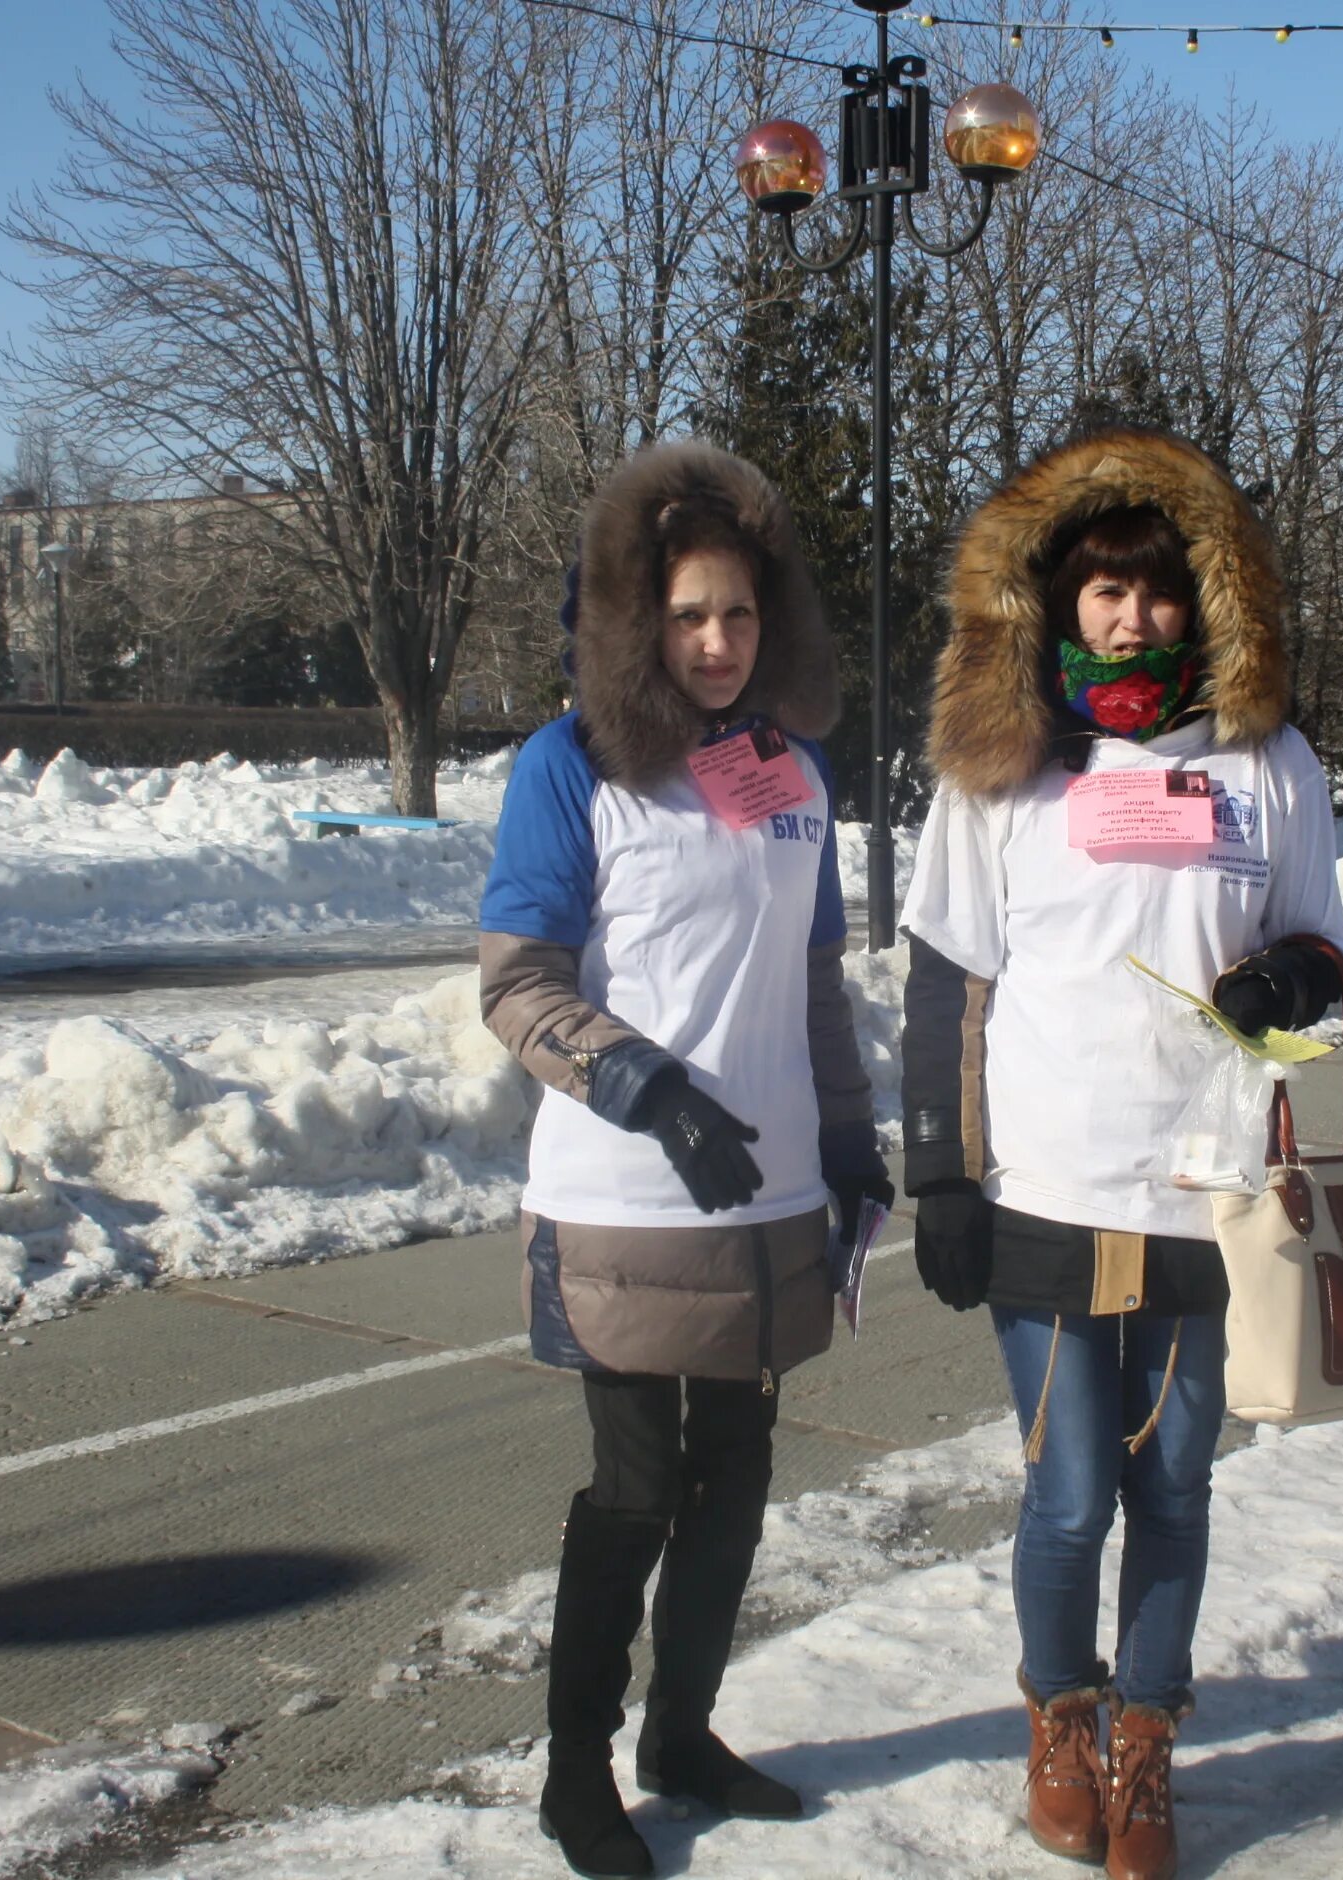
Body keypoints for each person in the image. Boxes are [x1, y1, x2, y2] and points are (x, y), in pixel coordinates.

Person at [901, 429, 1343, 1880]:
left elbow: (1323, 947)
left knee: (1172, 1491)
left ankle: (1149, 1744)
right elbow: (945, 982)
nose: (1132, 618)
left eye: (1159, 592)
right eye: (1104, 591)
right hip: (1045, 1186)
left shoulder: (1268, 765)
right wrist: (941, 1178)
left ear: (1209, 603)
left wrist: (1293, 984)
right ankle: (1062, 1720)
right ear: (1053, 601)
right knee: (1069, 1493)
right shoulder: (1000, 771)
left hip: (1203, 1190)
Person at [478, 441, 889, 1880]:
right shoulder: (569, 765)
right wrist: (644, 1089)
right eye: (689, 617)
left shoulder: (789, 768)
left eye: (742, 616)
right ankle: (574, 1773)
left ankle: (685, 1732)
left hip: (772, 1192)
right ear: (637, 623)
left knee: (739, 1476)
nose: (719, 644)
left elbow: (815, 974)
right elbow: (516, 988)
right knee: (636, 1487)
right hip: (627, 1196)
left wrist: (848, 1138)